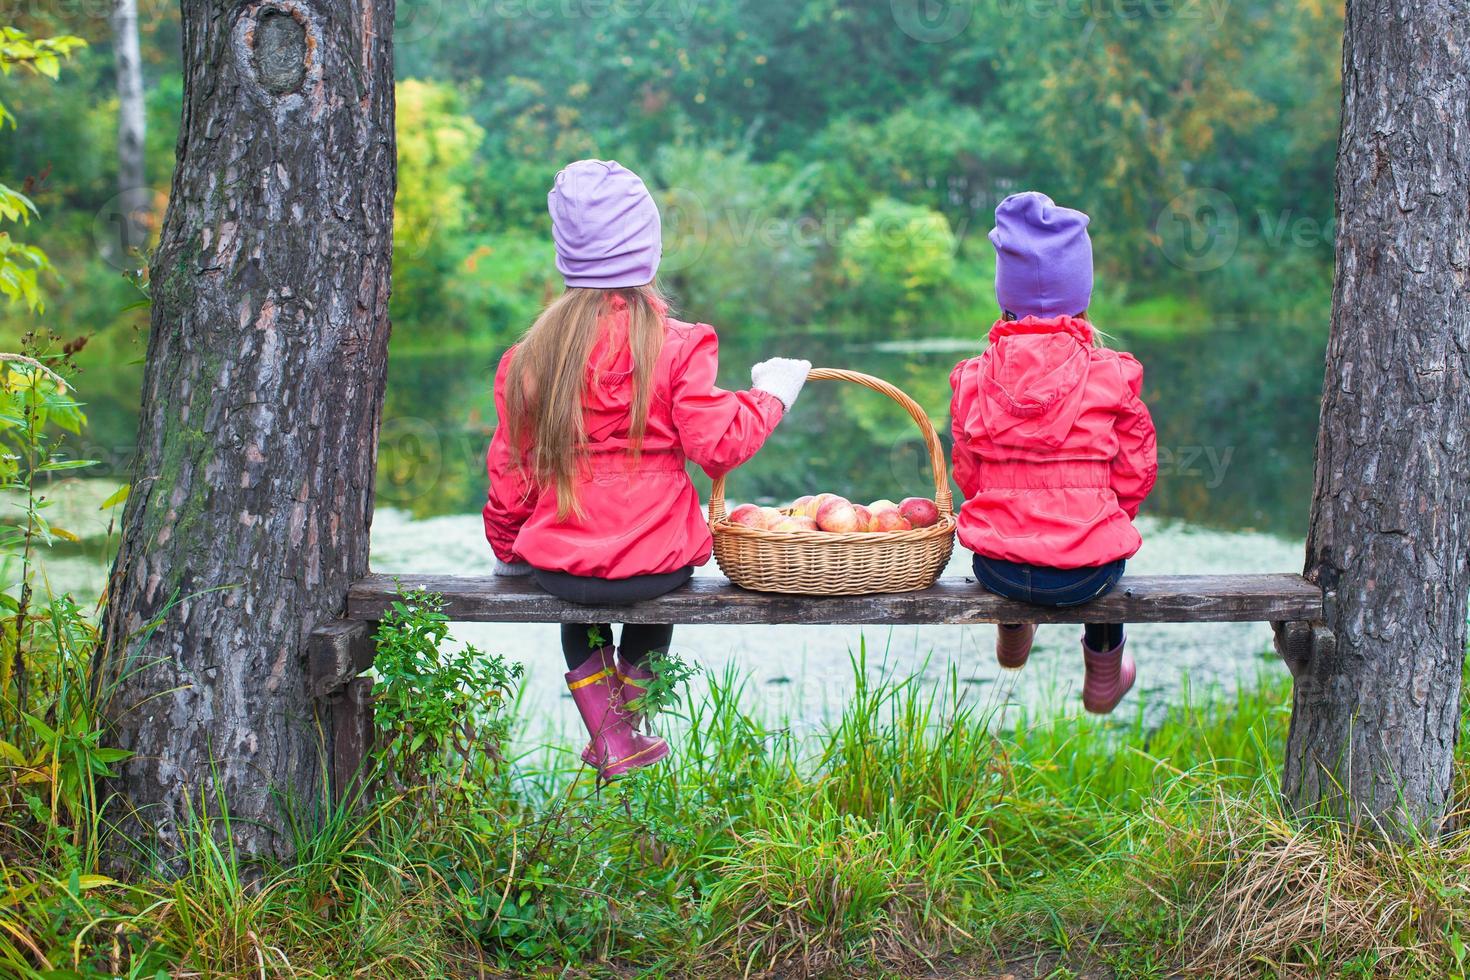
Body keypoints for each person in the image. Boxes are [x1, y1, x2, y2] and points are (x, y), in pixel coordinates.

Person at [483, 159, 811, 776]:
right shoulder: (679, 345)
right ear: (649, 255)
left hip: (561, 569)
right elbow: (719, 446)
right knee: (653, 614)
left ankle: (611, 741)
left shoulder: (528, 357)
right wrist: (772, 395)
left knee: (578, 617)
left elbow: (510, 471)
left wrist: (509, 548)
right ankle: (622, 733)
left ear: (567, 255)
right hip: (655, 567)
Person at [949, 191, 1158, 714]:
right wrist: (1110, 515)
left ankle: (1013, 634)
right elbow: (1135, 467)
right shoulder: (1110, 373)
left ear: (1004, 297)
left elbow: (968, 473)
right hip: (1087, 574)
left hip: (995, 567)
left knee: (1009, 525)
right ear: (1082, 297)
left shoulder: (975, 377)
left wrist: (997, 501)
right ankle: (1104, 672)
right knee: (1103, 540)